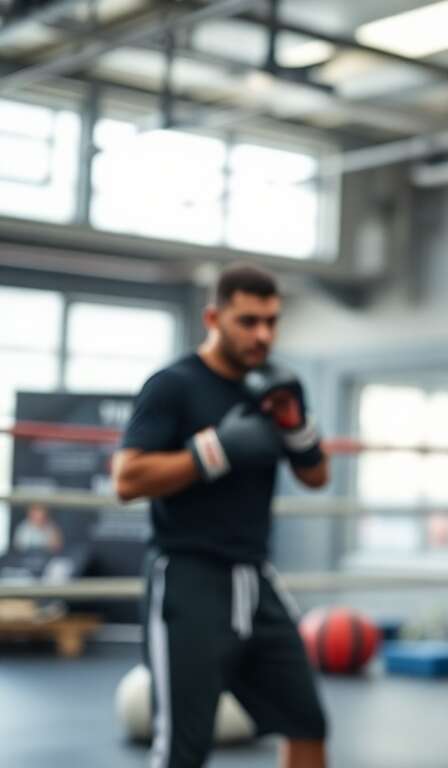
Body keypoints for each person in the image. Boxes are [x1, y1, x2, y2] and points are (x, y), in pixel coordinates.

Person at [112, 263, 330, 768]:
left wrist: (295, 426)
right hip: (188, 580)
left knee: (308, 724)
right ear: (213, 316)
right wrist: (214, 452)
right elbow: (127, 479)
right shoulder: (173, 386)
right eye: (248, 321)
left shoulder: (276, 387)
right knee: (183, 747)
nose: (263, 335)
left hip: (256, 579)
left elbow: (316, 477)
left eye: (272, 322)